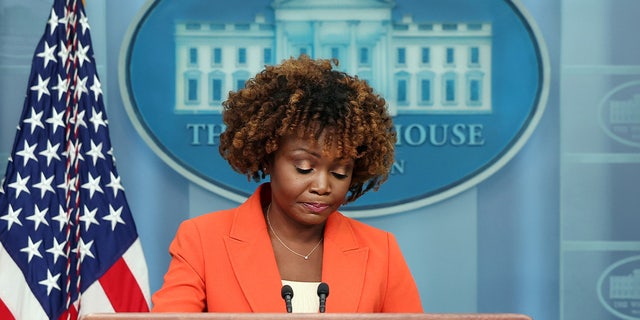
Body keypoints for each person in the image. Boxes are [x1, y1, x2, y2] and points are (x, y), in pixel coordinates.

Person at [151, 55, 423, 313]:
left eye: (340, 172)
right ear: (268, 158)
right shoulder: (202, 240)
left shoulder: (381, 251)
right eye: (304, 167)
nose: (322, 186)